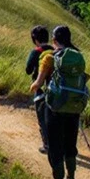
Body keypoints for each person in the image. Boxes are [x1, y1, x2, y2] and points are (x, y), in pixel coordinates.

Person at [30, 25, 82, 179]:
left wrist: (36, 85)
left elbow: (37, 84)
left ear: (54, 40)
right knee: (70, 144)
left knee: (54, 147)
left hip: (54, 108)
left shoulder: (50, 57)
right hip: (74, 107)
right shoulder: (78, 56)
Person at [25, 25, 54, 154]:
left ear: (35, 39)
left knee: (42, 117)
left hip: (40, 87)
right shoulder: (55, 50)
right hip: (54, 88)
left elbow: (28, 70)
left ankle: (47, 145)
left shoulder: (36, 52)